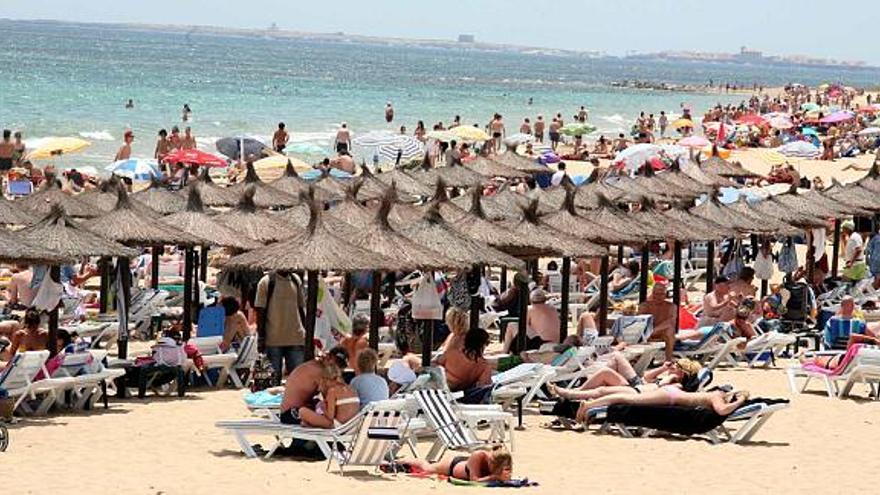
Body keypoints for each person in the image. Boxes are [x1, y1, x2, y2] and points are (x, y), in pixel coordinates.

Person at [254, 271, 307, 379]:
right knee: (273, 379)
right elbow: (260, 312)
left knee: (298, 379)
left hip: (295, 338)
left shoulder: (296, 280)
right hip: (273, 339)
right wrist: (261, 338)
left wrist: (307, 332)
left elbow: (301, 308)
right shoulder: (266, 282)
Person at [284, 361, 360, 427]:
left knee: (302, 411)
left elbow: (330, 417)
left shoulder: (332, 391)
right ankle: (309, 425)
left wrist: (323, 407)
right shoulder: (351, 389)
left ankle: (310, 425)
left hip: (337, 426)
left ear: (327, 379)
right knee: (307, 418)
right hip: (350, 426)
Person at [278, 347, 348, 417]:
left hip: (290, 411)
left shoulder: (313, 365)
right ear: (328, 358)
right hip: (291, 413)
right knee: (329, 419)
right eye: (337, 364)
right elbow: (332, 399)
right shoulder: (320, 372)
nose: (337, 368)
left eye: (340, 365)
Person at [437, 315, 492, 400]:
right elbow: (483, 387)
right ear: (482, 345)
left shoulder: (452, 353)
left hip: (439, 389)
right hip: (459, 395)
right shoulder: (484, 366)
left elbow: (433, 364)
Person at [390, 448, 513, 482]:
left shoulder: (504, 459)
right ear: (490, 461)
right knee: (428, 468)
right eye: (495, 467)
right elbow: (474, 480)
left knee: (431, 466)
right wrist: (495, 477)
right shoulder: (479, 455)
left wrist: (504, 476)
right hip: (453, 465)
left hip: (467, 464)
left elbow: (506, 477)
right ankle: (403, 461)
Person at [502, 289, 560, 353]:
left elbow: (523, 328)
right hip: (556, 343)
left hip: (541, 344)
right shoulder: (553, 309)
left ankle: (504, 352)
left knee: (511, 325)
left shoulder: (530, 309)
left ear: (530, 300)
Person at [638, 282, 676, 360]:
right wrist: (648, 331)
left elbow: (670, 322)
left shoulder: (671, 307)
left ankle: (668, 360)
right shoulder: (645, 305)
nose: (657, 296)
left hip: (660, 332)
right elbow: (639, 320)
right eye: (656, 293)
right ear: (652, 294)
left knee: (670, 330)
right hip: (645, 333)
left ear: (665, 295)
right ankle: (639, 359)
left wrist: (654, 330)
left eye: (661, 294)